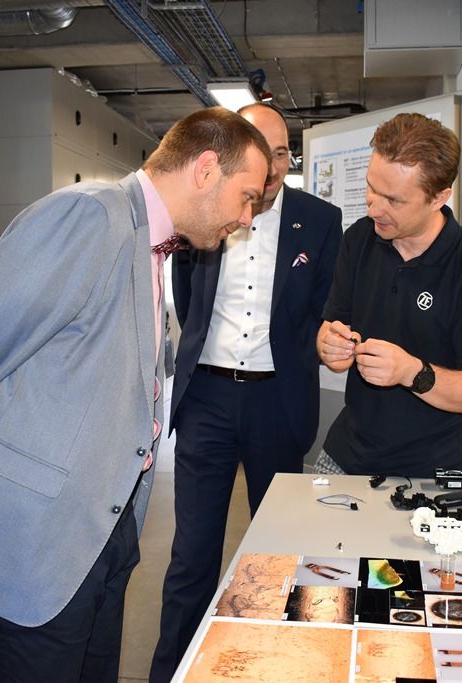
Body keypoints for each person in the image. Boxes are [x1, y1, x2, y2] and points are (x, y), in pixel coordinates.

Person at [0, 107, 271, 683]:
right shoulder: (89, 218)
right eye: (246, 197)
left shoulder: (152, 245)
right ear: (206, 169)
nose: (245, 218)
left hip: (101, 531)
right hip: (34, 542)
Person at [150, 103, 342, 682]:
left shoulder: (320, 220)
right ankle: (174, 670)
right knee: (192, 554)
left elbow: (321, 310)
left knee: (278, 549)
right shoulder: (208, 208)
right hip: (207, 400)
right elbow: (189, 298)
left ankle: (271, 665)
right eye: (260, 151)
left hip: (276, 404)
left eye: (281, 152)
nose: (272, 165)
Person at [315, 113, 462, 478]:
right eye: (371, 187)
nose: (373, 207)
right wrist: (329, 346)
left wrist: (410, 372)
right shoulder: (359, 239)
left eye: (393, 199)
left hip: (431, 470)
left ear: (438, 198)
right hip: (347, 454)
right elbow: (331, 327)